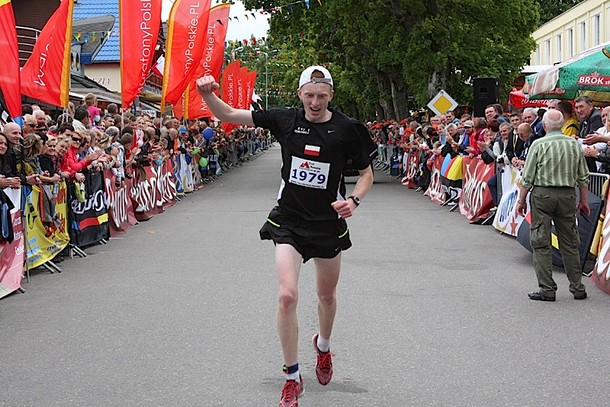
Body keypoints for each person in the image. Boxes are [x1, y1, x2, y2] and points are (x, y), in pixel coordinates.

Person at [196, 65, 375, 407]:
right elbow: (230, 114)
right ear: (300, 94)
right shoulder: (285, 119)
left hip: (327, 224)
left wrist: (354, 200)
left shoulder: (347, 128)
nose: (315, 102)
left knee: (326, 296)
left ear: (331, 95)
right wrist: (208, 96)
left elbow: (366, 173)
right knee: (287, 296)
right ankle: (292, 377)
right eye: (309, 95)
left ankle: (323, 347)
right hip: (289, 221)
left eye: (321, 96)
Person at [516, 109, 589, 302]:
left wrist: (521, 200)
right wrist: (583, 200)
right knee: (570, 242)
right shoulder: (573, 144)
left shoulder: (539, 144)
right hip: (567, 195)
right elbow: (583, 176)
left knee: (541, 241)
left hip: (543, 194)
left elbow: (527, 177)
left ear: (545, 125)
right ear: (562, 124)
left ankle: (547, 289)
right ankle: (577, 287)